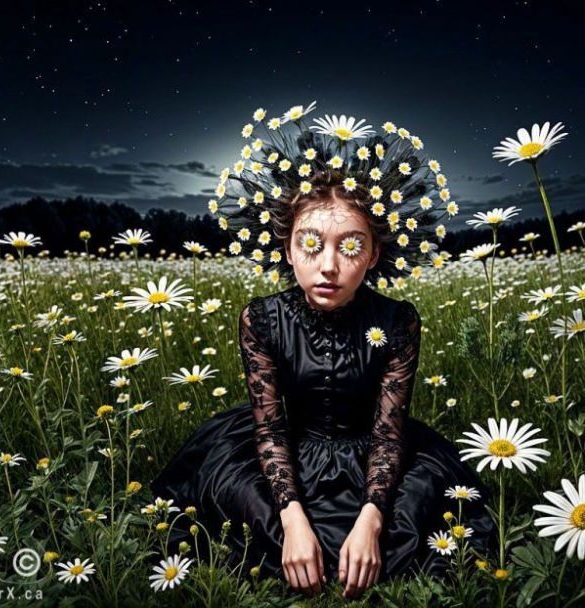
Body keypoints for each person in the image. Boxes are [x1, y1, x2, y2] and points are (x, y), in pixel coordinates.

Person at [149, 104, 497, 599]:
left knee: (407, 526)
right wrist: (293, 520)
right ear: (288, 250)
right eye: (310, 244)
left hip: (373, 451)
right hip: (282, 447)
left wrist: (371, 520)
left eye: (350, 247)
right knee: (258, 521)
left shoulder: (398, 321)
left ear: (373, 255)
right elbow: (269, 430)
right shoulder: (261, 318)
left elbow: (388, 434)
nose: (328, 265)